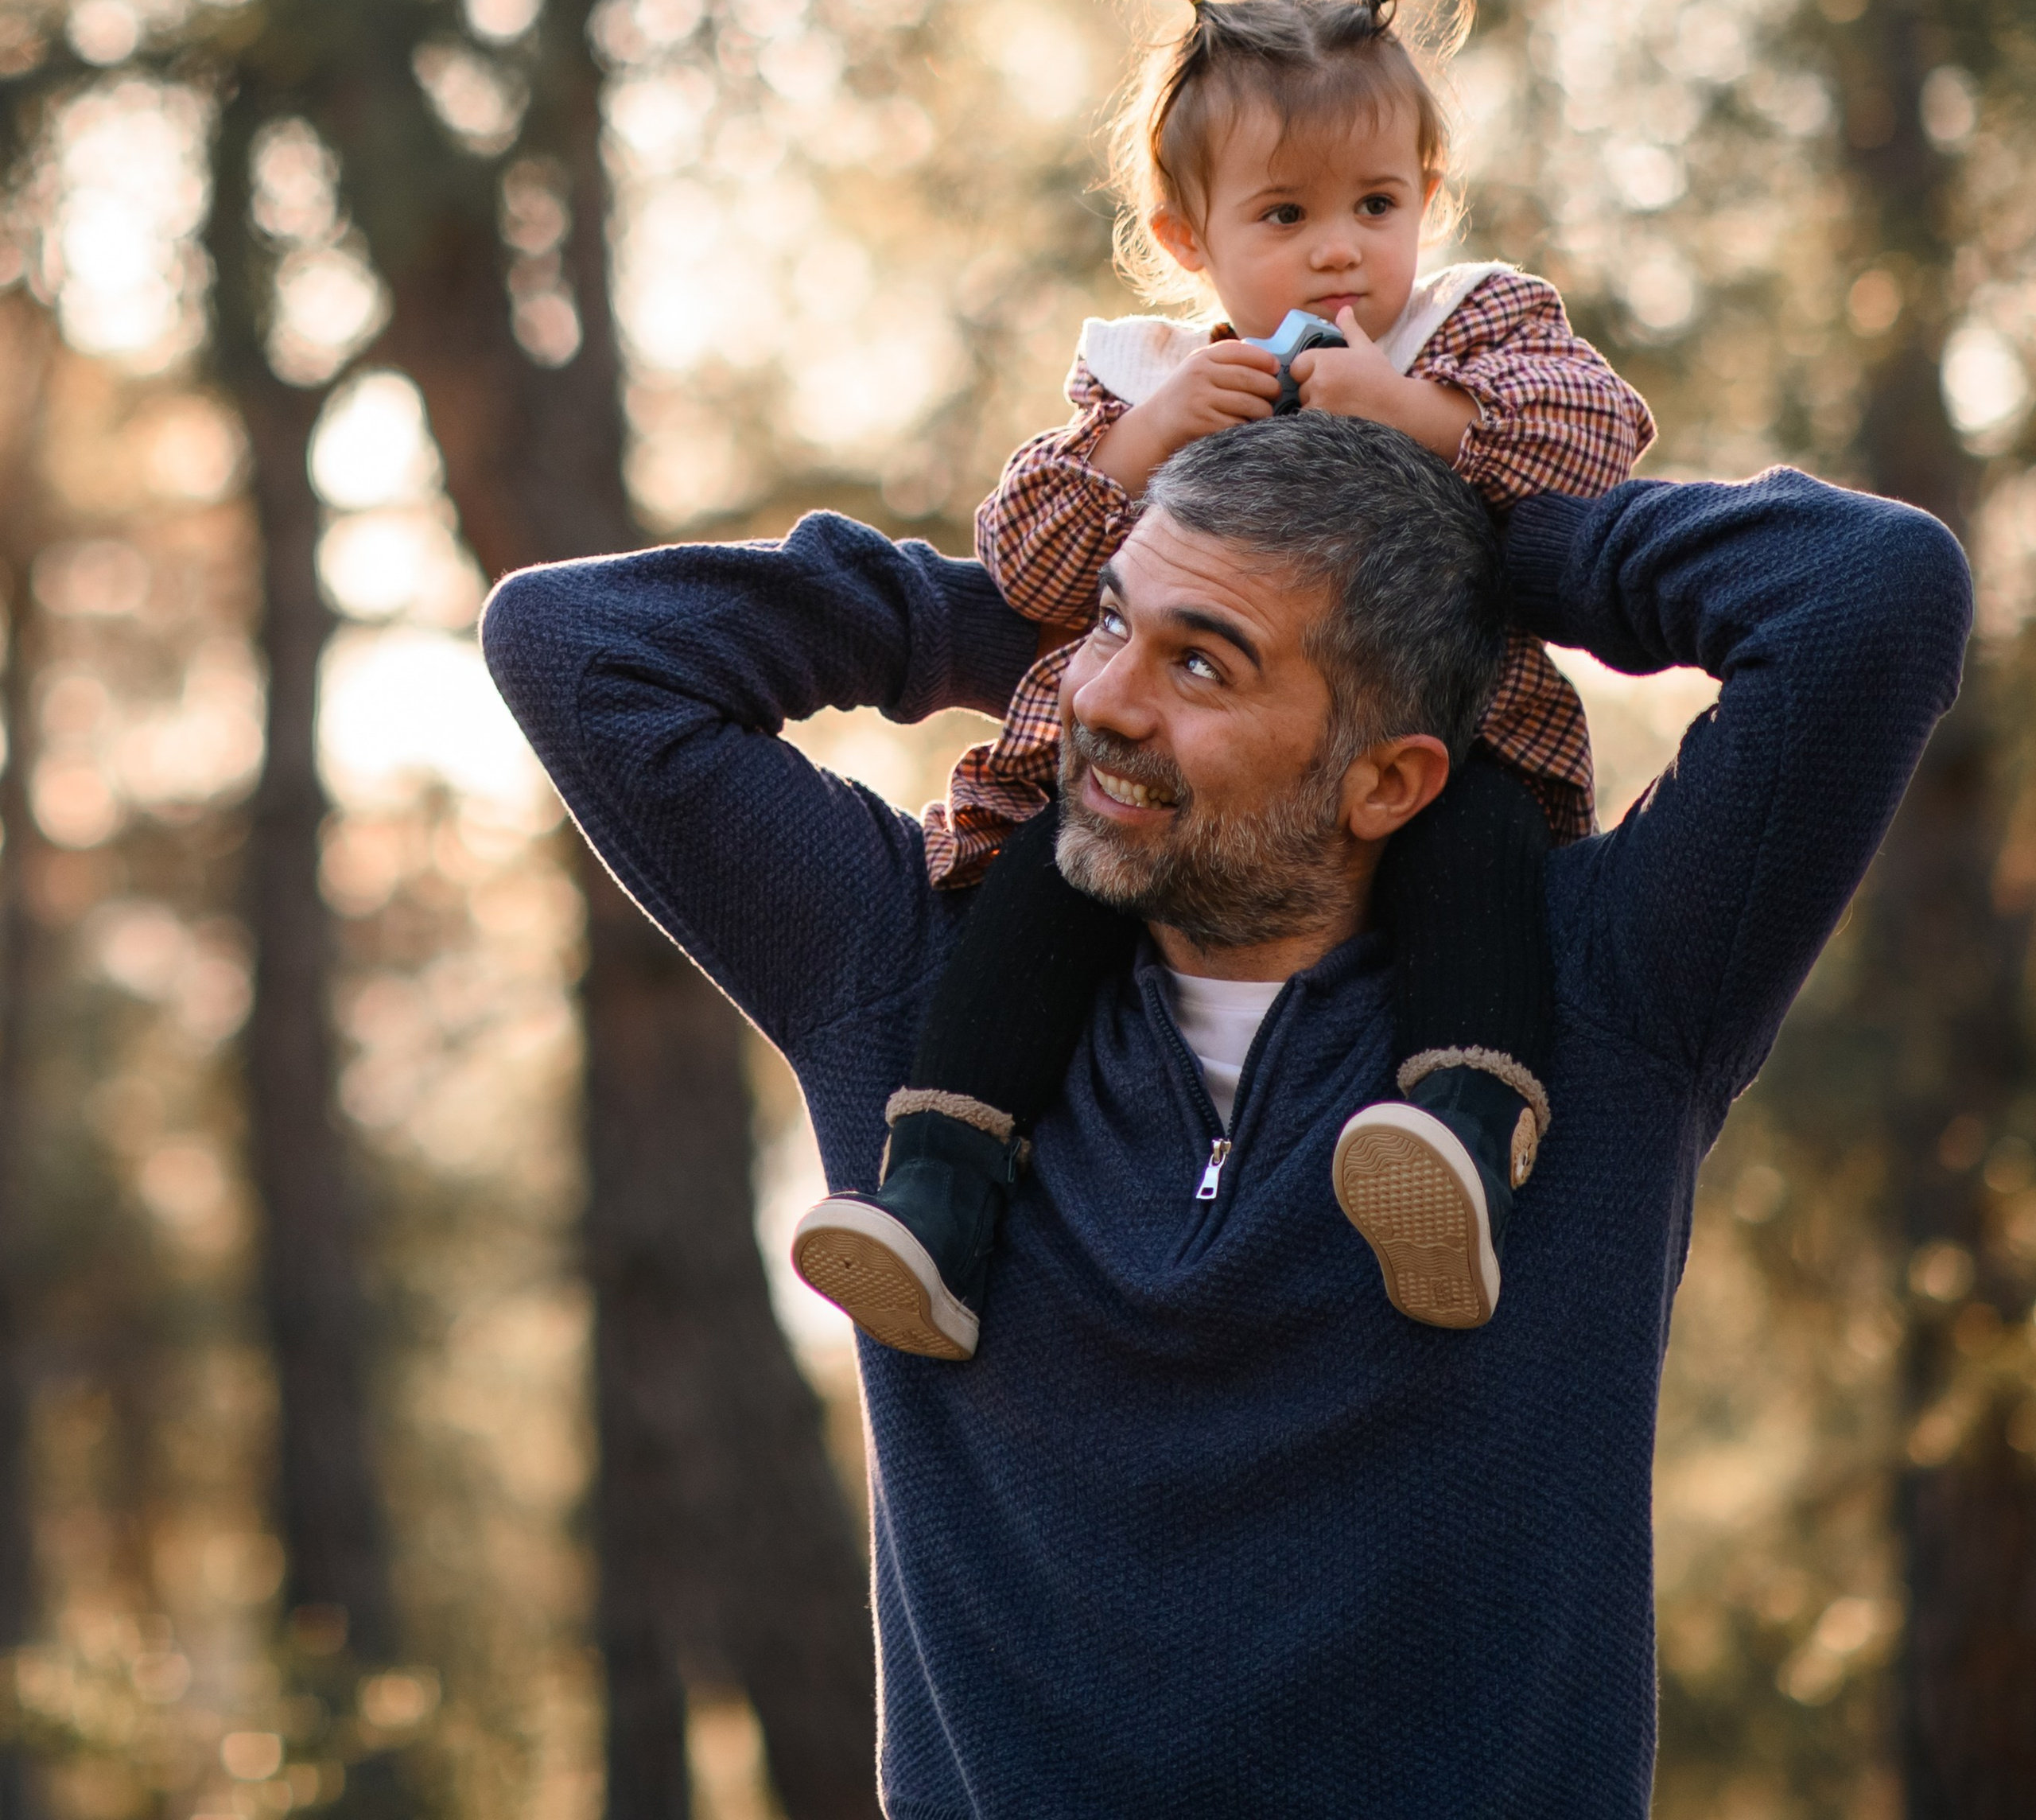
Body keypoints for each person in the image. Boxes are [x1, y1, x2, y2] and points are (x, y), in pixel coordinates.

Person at [480, 424, 1968, 1820]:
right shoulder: (917, 981)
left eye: (1206, 663)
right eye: (1115, 626)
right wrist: (1032, 596)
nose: (1107, 698)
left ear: (1392, 777)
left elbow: (1868, 593)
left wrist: (1492, 536)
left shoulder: (1604, 1000)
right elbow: (575, 644)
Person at [794, 0, 1653, 1359]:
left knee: (1477, 851)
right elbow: (1033, 567)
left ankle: (1459, 1137)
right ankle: (942, 1189)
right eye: (1284, 216)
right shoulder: (1155, 376)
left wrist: (1412, 413)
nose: (1339, 249)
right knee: (1052, 879)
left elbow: (1598, 452)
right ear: (1191, 240)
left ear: (1427, 201)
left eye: (1378, 204)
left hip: (1441, 732)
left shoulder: (1466, 329)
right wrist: (1140, 442)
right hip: (1188, 776)